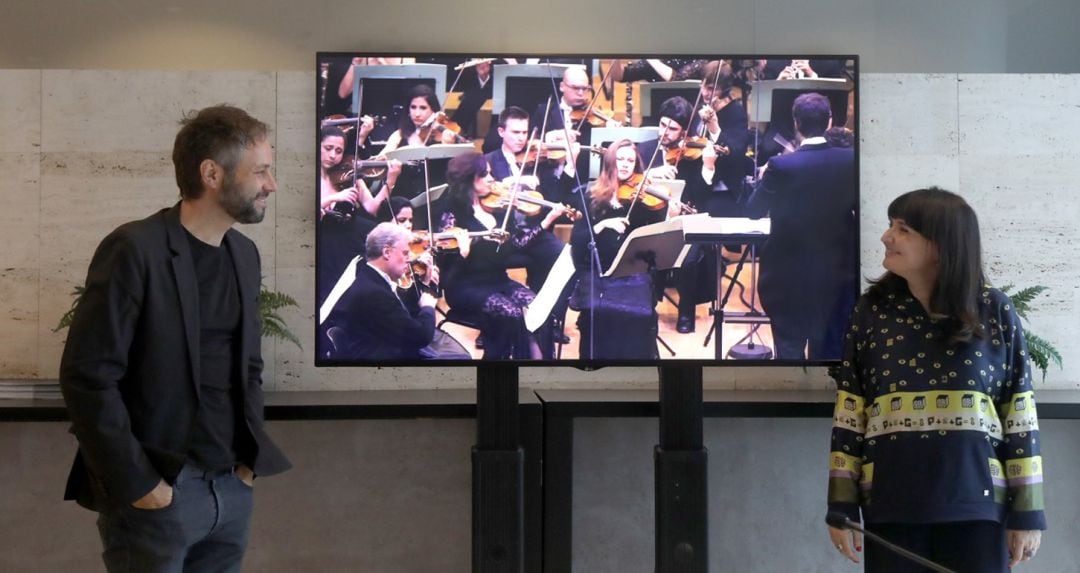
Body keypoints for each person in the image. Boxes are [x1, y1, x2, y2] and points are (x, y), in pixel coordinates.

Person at [59, 105, 291, 572]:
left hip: (231, 486)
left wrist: (246, 467)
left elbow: (248, 369)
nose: (272, 184)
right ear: (211, 174)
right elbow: (88, 377)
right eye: (261, 170)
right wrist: (140, 484)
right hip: (159, 491)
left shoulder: (243, 255)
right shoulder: (135, 249)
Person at [827, 188, 1045, 572]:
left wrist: (1028, 513)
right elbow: (850, 414)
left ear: (942, 245)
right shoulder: (871, 312)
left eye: (903, 229)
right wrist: (841, 506)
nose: (886, 236)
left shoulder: (995, 310)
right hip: (890, 509)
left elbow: (1020, 416)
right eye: (890, 225)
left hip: (977, 512)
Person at [746, 92, 857, 359]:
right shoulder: (851, 159)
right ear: (829, 121)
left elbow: (752, 211)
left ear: (796, 122)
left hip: (786, 278)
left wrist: (764, 179)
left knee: (788, 351)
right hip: (836, 273)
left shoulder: (781, 165)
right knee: (827, 352)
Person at [435, 151, 558, 359]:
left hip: (498, 280)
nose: (492, 179)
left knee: (538, 310)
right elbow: (444, 261)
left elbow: (517, 244)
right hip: (465, 286)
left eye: (491, 173)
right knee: (511, 313)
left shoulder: (498, 207)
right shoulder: (451, 210)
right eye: (485, 175)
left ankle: (538, 366)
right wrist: (462, 252)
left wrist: (545, 223)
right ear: (469, 178)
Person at [569, 140, 661, 360]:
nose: (625, 165)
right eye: (620, 159)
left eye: (630, 160)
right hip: (597, 272)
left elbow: (655, 241)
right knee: (600, 311)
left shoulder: (642, 199)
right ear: (609, 162)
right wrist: (600, 226)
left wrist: (671, 216)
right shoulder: (590, 194)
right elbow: (578, 244)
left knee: (640, 313)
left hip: (631, 271)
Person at [324, 222, 440, 360]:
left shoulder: (368, 274)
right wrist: (428, 307)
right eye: (405, 253)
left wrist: (425, 283)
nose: (409, 259)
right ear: (387, 252)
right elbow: (420, 337)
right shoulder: (374, 293)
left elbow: (405, 316)